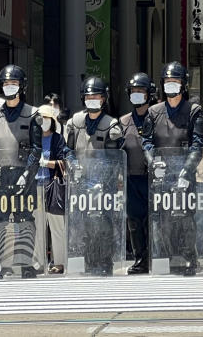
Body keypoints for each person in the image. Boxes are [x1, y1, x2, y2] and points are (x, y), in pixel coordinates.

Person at [141, 62, 203, 276]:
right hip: (161, 175)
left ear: (184, 85)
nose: (171, 86)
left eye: (175, 82)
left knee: (185, 217)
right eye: (168, 82)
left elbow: (197, 144)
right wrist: (152, 162)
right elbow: (147, 142)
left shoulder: (194, 111)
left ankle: (189, 257)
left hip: (184, 174)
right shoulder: (153, 112)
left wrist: (187, 171)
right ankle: (166, 257)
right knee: (163, 219)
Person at [0, 65, 42, 278]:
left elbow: (37, 147)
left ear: (22, 86)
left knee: (25, 218)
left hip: (23, 174)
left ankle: (25, 264)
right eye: (6, 84)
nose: (10, 88)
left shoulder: (33, 114)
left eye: (14, 84)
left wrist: (28, 174)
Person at [62, 76, 122, 274]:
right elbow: (66, 149)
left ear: (104, 98)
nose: (92, 99)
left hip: (104, 186)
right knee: (84, 224)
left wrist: (103, 180)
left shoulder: (112, 124)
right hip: (80, 182)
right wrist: (73, 164)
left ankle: (105, 261)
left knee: (103, 223)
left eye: (96, 95)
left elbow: (114, 157)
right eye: (88, 95)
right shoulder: (75, 121)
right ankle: (88, 261)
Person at [119, 72, 154, 274]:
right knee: (134, 219)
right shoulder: (123, 121)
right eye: (133, 91)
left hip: (152, 178)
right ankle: (139, 258)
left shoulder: (156, 117)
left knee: (153, 218)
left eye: (141, 91)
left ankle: (155, 256)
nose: (137, 95)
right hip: (131, 177)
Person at [34, 102, 68, 274]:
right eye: (40, 118)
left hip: (51, 186)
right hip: (34, 187)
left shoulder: (57, 138)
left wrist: (46, 163)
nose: (43, 121)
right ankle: (38, 262)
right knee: (37, 226)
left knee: (56, 226)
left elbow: (64, 161)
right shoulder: (33, 138)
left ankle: (60, 262)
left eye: (46, 118)